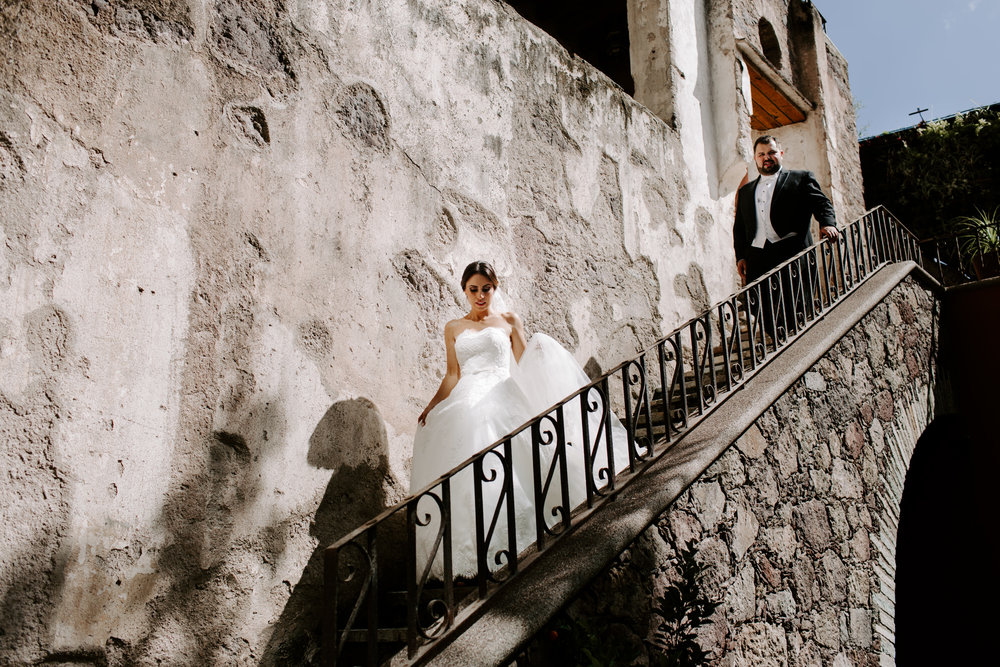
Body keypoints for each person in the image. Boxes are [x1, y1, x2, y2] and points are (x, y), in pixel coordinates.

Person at [409, 261, 629, 579]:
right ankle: (476, 548)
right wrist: (431, 406)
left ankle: (515, 538)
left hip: (502, 395)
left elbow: (524, 362)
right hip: (464, 401)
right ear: (465, 291)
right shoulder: (454, 328)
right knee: (465, 472)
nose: (480, 295)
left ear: (494, 287)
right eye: (474, 289)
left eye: (486, 288)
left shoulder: (509, 320)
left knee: (506, 460)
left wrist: (546, 353)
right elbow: (453, 374)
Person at [733, 136, 841, 339]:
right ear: (755, 159)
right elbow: (739, 228)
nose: (767, 158)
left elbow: (822, 204)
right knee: (762, 306)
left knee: (796, 302)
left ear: (780, 154)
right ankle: (777, 341)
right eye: (761, 154)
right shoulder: (746, 191)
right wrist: (740, 256)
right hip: (758, 257)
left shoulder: (800, 178)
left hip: (791, 252)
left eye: (771, 152)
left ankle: (799, 341)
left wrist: (827, 223)